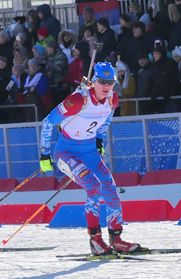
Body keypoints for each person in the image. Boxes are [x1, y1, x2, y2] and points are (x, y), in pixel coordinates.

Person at [39, 62, 141, 255]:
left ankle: (116, 239)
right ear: (94, 81)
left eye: (110, 81)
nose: (106, 85)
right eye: (102, 81)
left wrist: (99, 141)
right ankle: (95, 240)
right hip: (67, 153)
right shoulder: (78, 100)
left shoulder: (113, 99)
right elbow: (47, 122)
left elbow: (105, 121)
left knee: (110, 188)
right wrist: (44, 154)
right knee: (93, 186)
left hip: (90, 152)